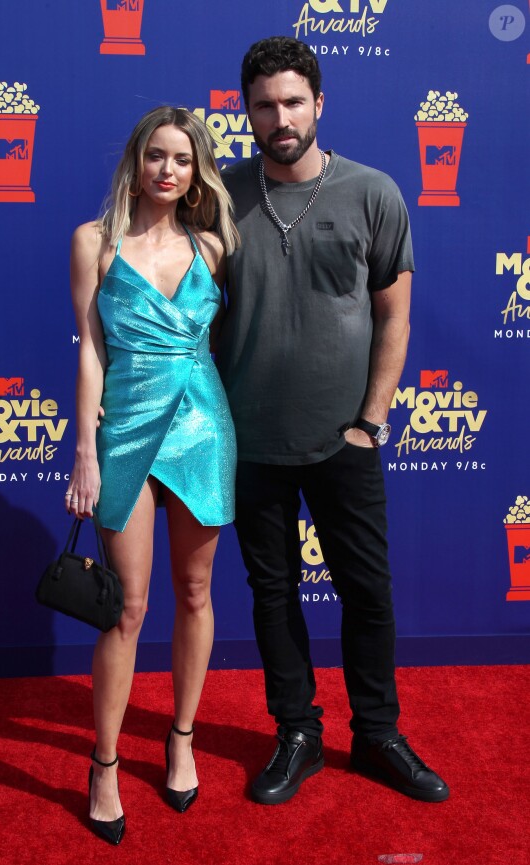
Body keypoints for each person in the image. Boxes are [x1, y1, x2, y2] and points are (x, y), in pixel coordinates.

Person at [215, 36, 449, 805]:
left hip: (345, 439)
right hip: (248, 442)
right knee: (271, 592)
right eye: (263, 105)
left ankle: (377, 733)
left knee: (368, 591)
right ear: (245, 112)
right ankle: (297, 732)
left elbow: (396, 318)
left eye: (292, 101)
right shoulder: (216, 196)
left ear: (320, 102)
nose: (278, 118)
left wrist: (371, 422)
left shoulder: (372, 191)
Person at [65, 106, 239, 842]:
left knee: (195, 592)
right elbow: (91, 349)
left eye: (183, 159)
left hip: (203, 428)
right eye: (156, 155)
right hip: (126, 427)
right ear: (135, 162)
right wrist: (83, 446)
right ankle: (103, 765)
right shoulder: (93, 244)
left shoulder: (213, 245)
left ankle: (182, 738)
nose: (168, 169)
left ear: (197, 171)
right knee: (126, 608)